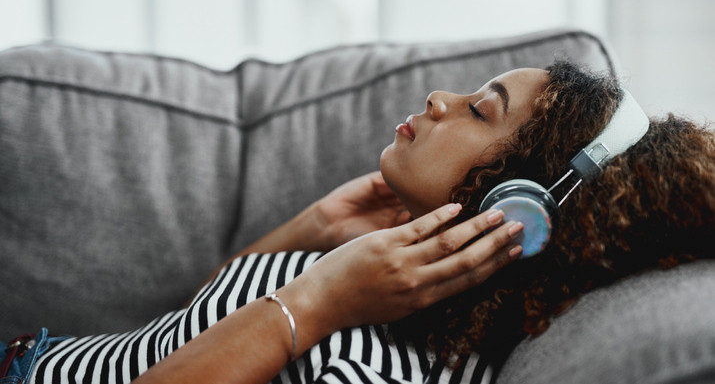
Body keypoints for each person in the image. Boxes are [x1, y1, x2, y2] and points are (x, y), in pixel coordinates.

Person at [6, 61, 714, 383]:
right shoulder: (380, 275)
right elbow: (193, 326)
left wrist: (322, 298)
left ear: (516, 209)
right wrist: (312, 231)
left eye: (479, 109)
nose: (439, 97)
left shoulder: (377, 357)